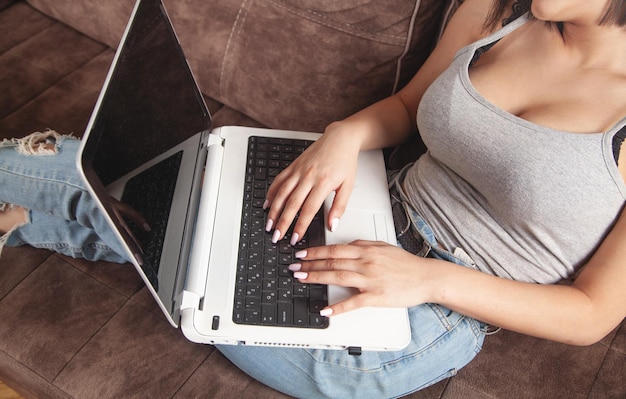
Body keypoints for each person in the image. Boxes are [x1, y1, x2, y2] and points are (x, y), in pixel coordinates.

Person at [0, 0, 624, 398]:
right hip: (372, 204)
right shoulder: (495, 12)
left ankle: (47, 201)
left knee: (253, 306)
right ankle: (38, 198)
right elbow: (409, 106)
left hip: (443, 309)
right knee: (210, 206)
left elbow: (593, 314)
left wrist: (427, 279)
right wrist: (346, 134)